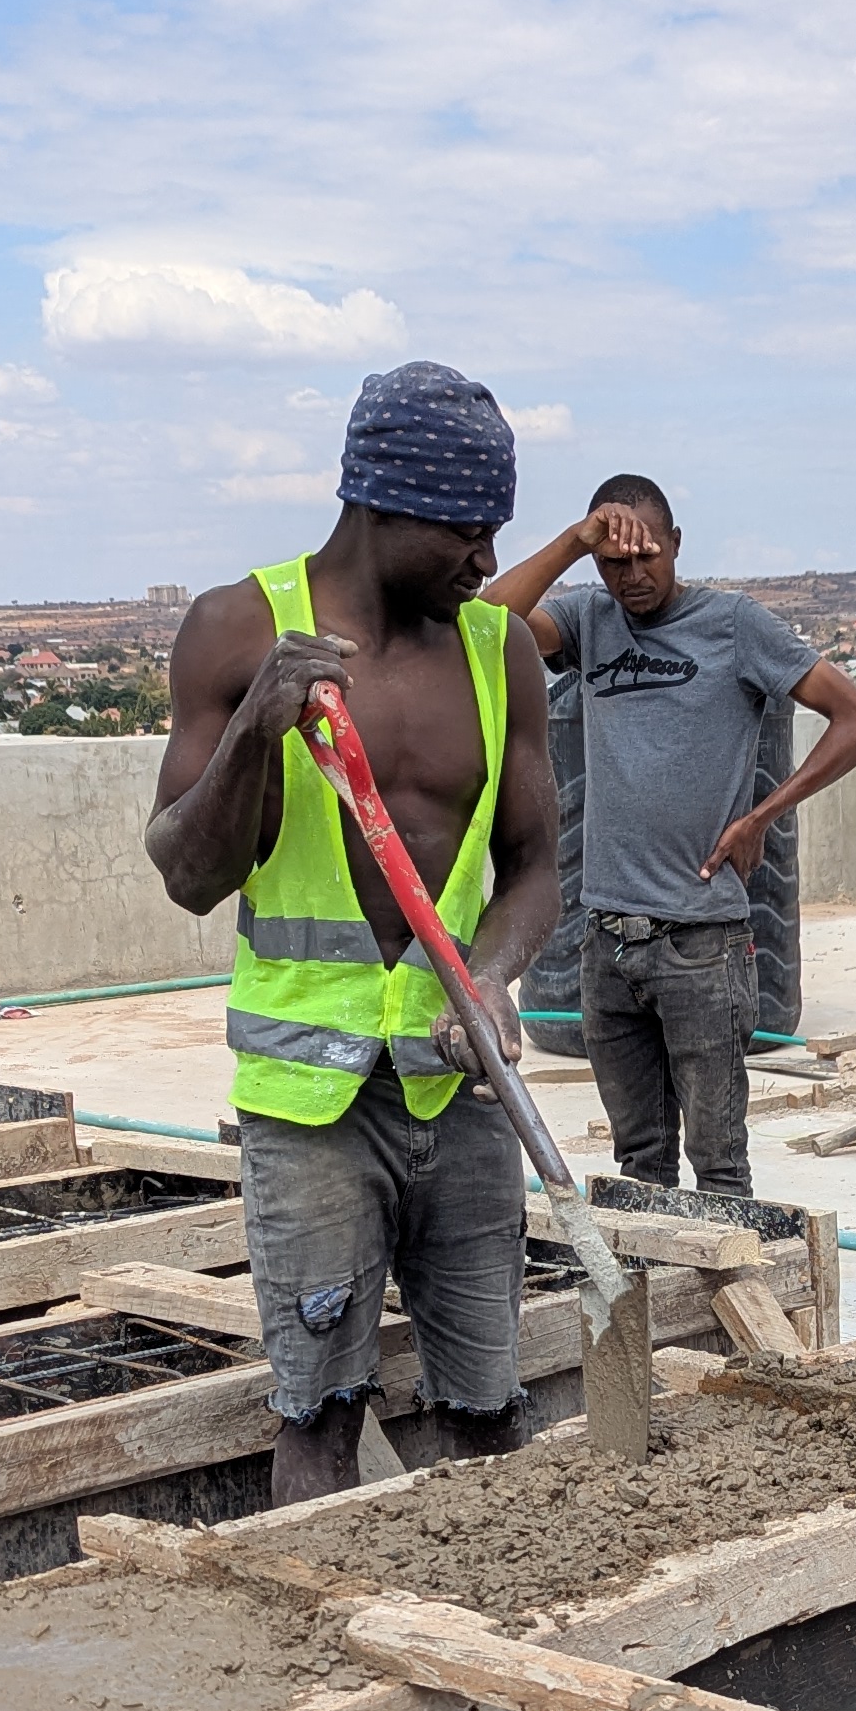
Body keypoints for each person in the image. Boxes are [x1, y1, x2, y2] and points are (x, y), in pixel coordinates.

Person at [149, 358, 560, 1504]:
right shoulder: (239, 632)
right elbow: (187, 874)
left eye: (497, 532)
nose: (487, 562)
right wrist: (253, 738)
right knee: (321, 1414)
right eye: (466, 533)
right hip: (312, 1112)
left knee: (489, 1405)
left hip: (458, 1087)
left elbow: (536, 870)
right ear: (379, 507)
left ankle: (494, 1631)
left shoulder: (500, 652)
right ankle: (330, 1653)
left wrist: (488, 979)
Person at [485, 481, 856, 1196]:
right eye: (614, 564)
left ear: (676, 544)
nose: (633, 578)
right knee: (639, 1166)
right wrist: (574, 542)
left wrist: (764, 814)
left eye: (647, 558)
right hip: (605, 943)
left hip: (701, 945)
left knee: (720, 1168)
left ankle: (719, 1306)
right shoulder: (589, 621)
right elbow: (483, 624)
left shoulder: (734, 625)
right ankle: (650, 1304)